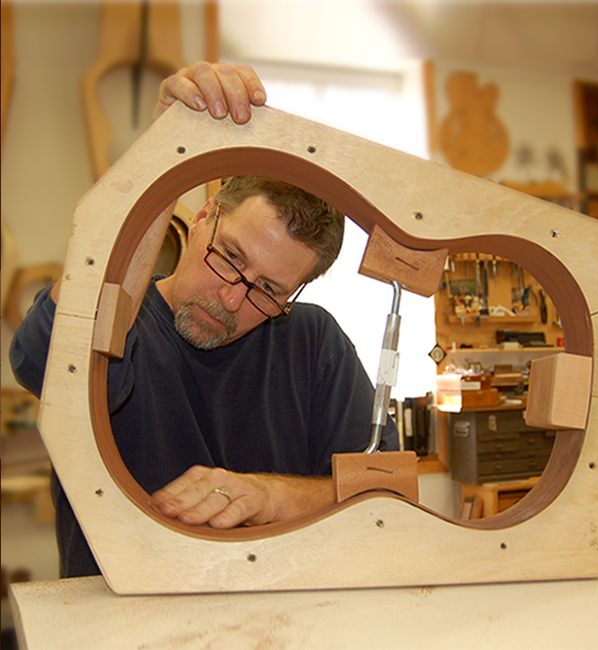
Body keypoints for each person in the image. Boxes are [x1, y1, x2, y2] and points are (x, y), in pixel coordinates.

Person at [10, 62, 399, 578]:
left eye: (269, 290)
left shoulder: (313, 342)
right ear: (201, 217)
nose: (232, 300)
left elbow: (386, 496)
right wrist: (159, 163)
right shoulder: (125, 327)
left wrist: (271, 497)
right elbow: (42, 361)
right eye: (231, 258)